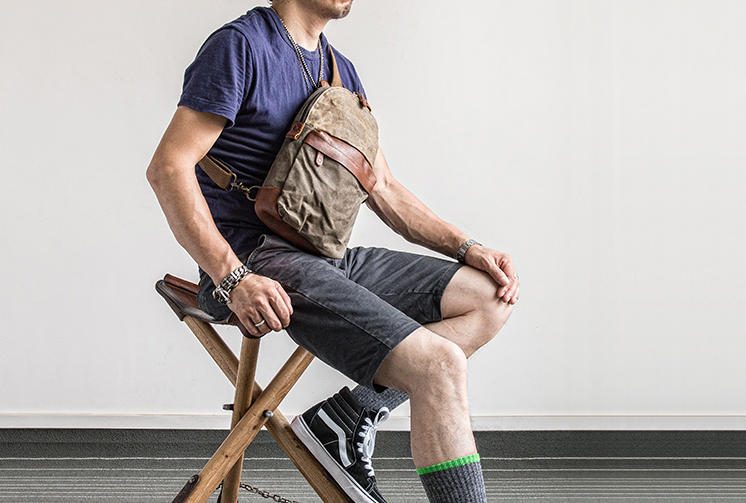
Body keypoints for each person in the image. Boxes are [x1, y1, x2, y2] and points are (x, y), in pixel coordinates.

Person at [147, 1, 519, 501]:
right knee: (440, 365)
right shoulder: (240, 47)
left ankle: (348, 416)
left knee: (489, 296)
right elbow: (169, 168)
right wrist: (232, 278)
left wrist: (466, 246)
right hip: (256, 263)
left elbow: (384, 187)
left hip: (324, 257)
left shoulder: (341, 71)